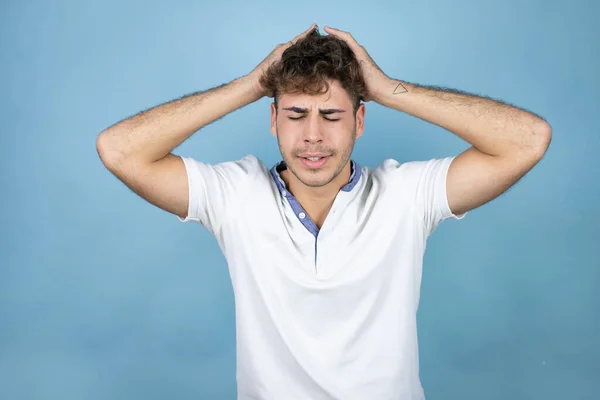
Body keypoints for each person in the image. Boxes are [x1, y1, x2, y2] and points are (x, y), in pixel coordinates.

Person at [96, 23, 551, 400]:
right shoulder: (235, 195)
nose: (313, 135)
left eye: (331, 116)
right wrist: (249, 86)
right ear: (272, 120)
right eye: (295, 115)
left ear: (360, 120)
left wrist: (389, 89)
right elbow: (118, 150)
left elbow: (528, 139)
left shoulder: (405, 196)